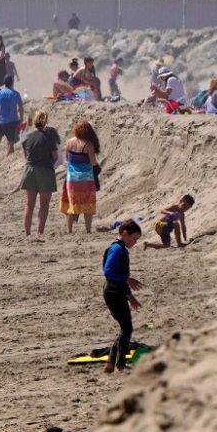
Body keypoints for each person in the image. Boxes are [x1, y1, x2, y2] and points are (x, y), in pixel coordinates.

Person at [102, 220, 144, 374]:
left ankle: (111, 363)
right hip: (113, 293)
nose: (135, 241)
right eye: (134, 238)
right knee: (127, 328)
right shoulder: (117, 249)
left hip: (118, 292)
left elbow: (119, 276)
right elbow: (108, 271)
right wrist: (128, 280)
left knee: (125, 329)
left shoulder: (121, 249)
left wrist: (129, 296)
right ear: (125, 234)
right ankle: (119, 363)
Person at [10, 110, 60, 236]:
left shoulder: (27, 136)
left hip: (30, 170)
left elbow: (26, 156)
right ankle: (39, 232)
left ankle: (27, 232)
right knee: (44, 205)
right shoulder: (49, 136)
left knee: (29, 204)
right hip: (45, 170)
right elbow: (55, 156)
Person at [60, 121, 101, 233]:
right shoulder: (88, 145)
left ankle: (69, 229)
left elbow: (67, 159)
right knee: (88, 205)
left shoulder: (69, 142)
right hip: (85, 179)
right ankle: (88, 230)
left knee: (72, 204)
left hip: (71, 178)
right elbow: (93, 163)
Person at [0, 75, 23, 159]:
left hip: (2, 121)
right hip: (12, 120)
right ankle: (8, 158)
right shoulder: (15, 93)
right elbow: (20, 107)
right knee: (10, 142)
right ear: (12, 82)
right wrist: (21, 118)